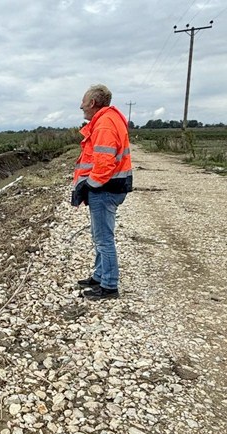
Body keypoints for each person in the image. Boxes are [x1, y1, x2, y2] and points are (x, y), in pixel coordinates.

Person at [71, 84, 133, 300]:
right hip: (109, 187)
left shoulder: (104, 124)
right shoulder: (108, 120)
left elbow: (104, 163)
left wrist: (90, 185)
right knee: (99, 236)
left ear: (92, 103)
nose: (81, 106)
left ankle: (109, 285)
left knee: (104, 239)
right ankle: (99, 276)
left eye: (83, 102)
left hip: (106, 189)